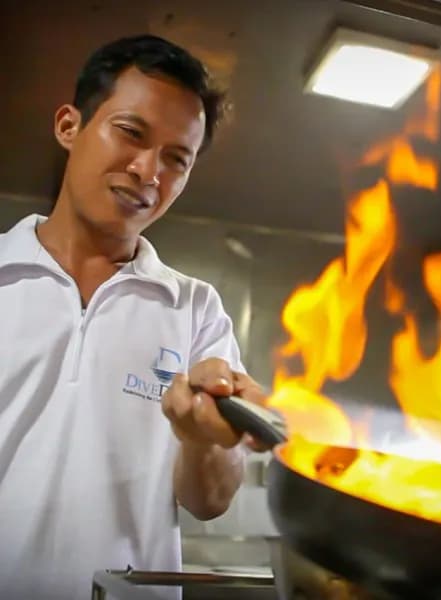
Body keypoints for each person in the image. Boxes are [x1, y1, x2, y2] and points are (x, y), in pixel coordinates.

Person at [0, 35, 268, 599]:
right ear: (70, 126)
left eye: (177, 159)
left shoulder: (196, 310)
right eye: (131, 133)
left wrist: (199, 438)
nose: (149, 172)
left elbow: (211, 501)